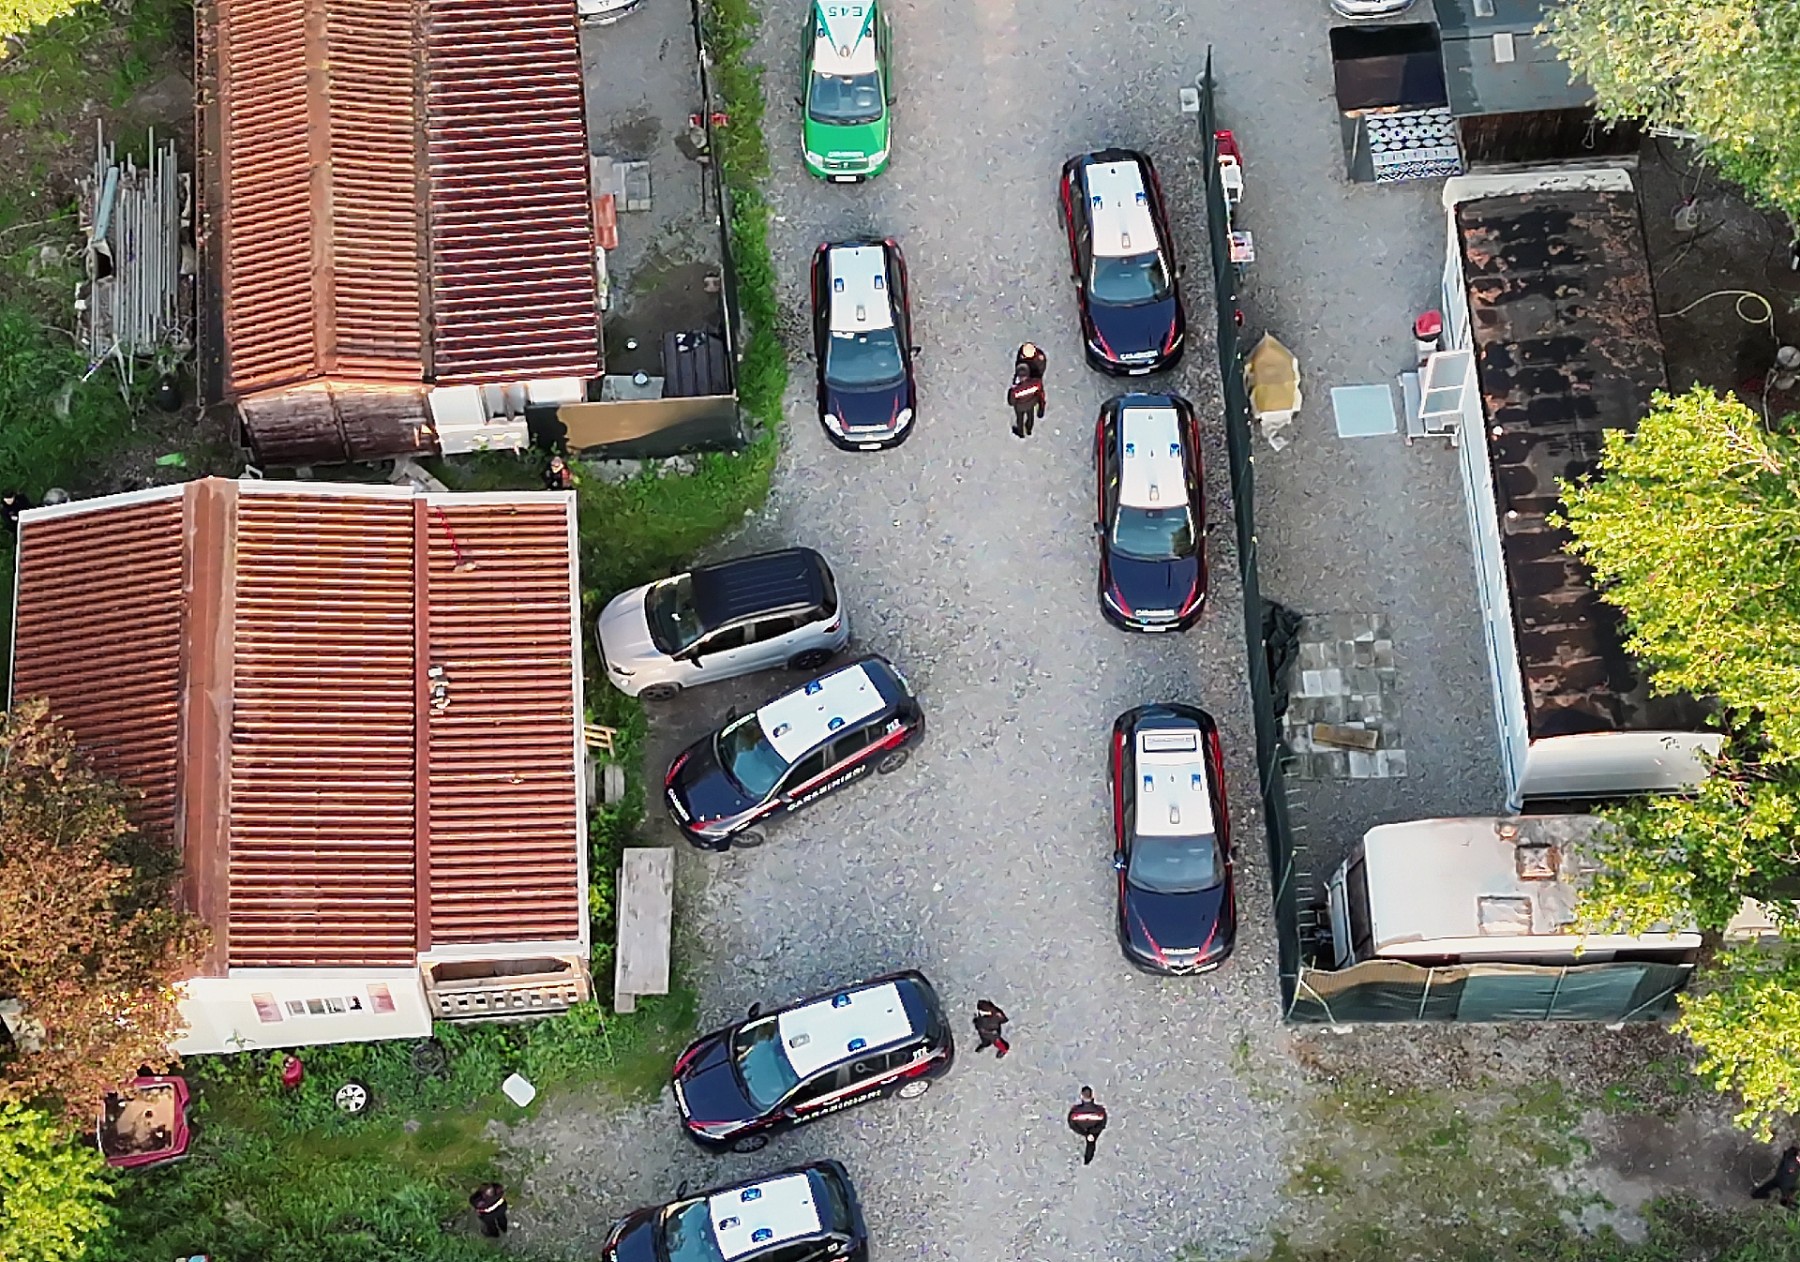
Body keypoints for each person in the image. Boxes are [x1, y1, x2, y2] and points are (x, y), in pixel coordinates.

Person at [1067, 1086, 1108, 1166]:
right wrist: (1091, 1133)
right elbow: (1102, 1124)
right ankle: (1087, 1162)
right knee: (1090, 1147)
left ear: (1081, 1096)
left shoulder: (1075, 1110)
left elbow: (1071, 1124)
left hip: (1079, 1136)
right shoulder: (1100, 1110)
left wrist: (1084, 1133)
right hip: (1093, 1136)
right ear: (1092, 1096)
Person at [1752, 1143, 1800, 1207]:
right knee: (1782, 1189)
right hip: (1785, 1181)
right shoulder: (1792, 1164)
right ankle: (1758, 1194)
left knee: (1772, 1185)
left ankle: (1757, 1194)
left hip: (1783, 1177)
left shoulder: (1792, 1154)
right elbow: (1790, 1168)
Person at [1008, 367, 1046, 438]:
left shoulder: (1015, 390)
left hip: (1020, 407)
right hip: (1030, 404)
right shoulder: (1035, 383)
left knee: (1020, 419)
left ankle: (1020, 432)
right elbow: (1039, 392)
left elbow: (1011, 402)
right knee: (1030, 416)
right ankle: (1029, 429)